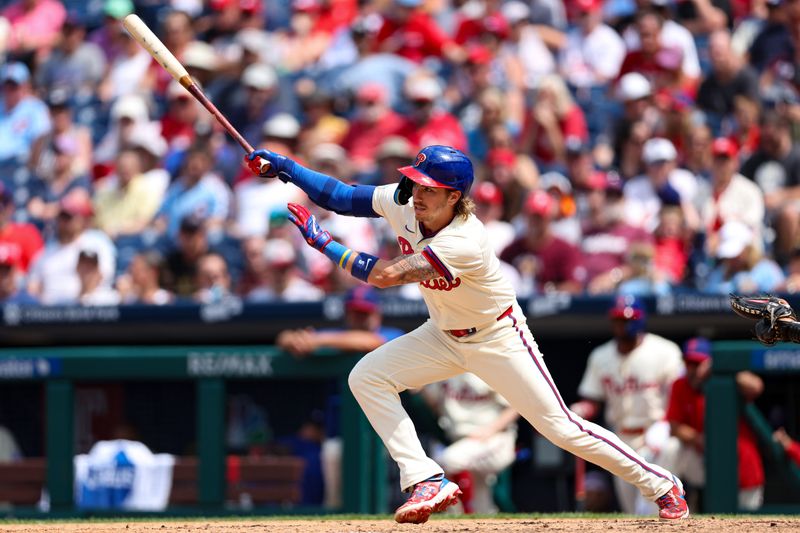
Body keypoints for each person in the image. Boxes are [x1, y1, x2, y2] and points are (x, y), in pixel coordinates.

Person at [245, 144, 689, 523]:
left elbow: (384, 276)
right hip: (442, 333)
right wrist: (286, 168)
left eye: (428, 188)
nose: (416, 194)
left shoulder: (465, 239)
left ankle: (661, 483)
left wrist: (327, 245)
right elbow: (342, 196)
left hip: (497, 336)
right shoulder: (406, 200)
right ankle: (424, 479)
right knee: (367, 377)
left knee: (561, 428)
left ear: (453, 196)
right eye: (415, 183)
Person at [570, 296, 684, 515]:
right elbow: (593, 400)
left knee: (653, 506)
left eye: (626, 320)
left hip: (656, 433)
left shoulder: (665, 351)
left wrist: (666, 424)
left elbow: (679, 395)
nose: (621, 326)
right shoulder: (601, 356)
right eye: (617, 320)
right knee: (632, 510)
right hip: (622, 439)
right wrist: (578, 411)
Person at [663, 338, 765, 510]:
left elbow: (756, 387)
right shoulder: (681, 385)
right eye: (689, 364)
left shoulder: (727, 381)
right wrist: (703, 441)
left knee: (747, 520)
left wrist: (721, 367)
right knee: (671, 448)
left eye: (698, 364)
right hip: (708, 461)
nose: (693, 370)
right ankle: (666, 501)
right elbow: (674, 427)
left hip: (742, 465)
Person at [421, 372, 519, 515]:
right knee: (482, 505)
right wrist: (421, 387)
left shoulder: (488, 365)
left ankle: (463, 512)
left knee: (449, 459)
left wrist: (491, 429)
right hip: (462, 442)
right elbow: (435, 404)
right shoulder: (444, 366)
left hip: (495, 439)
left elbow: (516, 405)